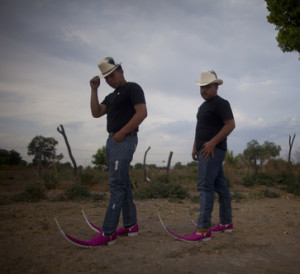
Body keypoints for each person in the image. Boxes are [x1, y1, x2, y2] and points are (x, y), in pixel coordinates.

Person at [89, 57, 147, 245]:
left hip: (124, 140)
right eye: (106, 78)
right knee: (122, 183)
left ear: (121, 71)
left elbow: (142, 113)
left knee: (116, 186)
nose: (109, 80)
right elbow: (96, 112)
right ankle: (131, 225)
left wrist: (122, 133)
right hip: (113, 141)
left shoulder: (133, 88)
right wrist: (94, 89)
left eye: (112, 75)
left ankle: (108, 232)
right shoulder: (112, 96)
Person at [191, 70, 235, 241]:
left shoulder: (221, 103)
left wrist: (212, 143)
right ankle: (225, 223)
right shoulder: (202, 107)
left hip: (213, 150)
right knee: (221, 187)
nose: (203, 90)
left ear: (216, 87)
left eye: (207, 87)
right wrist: (195, 146)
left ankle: (203, 229)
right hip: (204, 149)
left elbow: (230, 125)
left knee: (204, 187)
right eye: (202, 87)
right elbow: (200, 128)